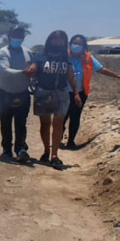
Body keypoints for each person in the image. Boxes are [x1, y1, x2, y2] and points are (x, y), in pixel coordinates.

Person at [25, 30, 81, 170]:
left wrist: (76, 93)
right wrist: (31, 68)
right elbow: (33, 68)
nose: (58, 42)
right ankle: (46, 151)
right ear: (50, 40)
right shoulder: (40, 56)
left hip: (61, 93)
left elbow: (71, 76)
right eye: (55, 39)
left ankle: (54, 155)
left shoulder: (65, 57)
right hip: (43, 92)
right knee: (45, 124)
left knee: (58, 124)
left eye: (61, 39)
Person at [63, 34, 120, 148]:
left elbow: (101, 69)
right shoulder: (64, 56)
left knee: (75, 116)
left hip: (81, 92)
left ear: (84, 46)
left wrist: (118, 75)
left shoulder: (88, 58)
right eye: (75, 43)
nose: (76, 46)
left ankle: (71, 141)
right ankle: (58, 135)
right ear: (70, 44)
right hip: (63, 92)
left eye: (79, 44)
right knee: (62, 116)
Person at [0, 25, 33, 162]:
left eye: (20, 36)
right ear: (9, 36)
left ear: (23, 37)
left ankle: (21, 149)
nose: (17, 38)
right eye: (14, 36)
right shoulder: (2, 53)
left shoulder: (28, 52)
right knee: (5, 123)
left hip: (23, 93)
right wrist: (23, 72)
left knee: (21, 123)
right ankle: (6, 149)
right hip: (6, 93)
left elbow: (33, 69)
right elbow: (5, 70)